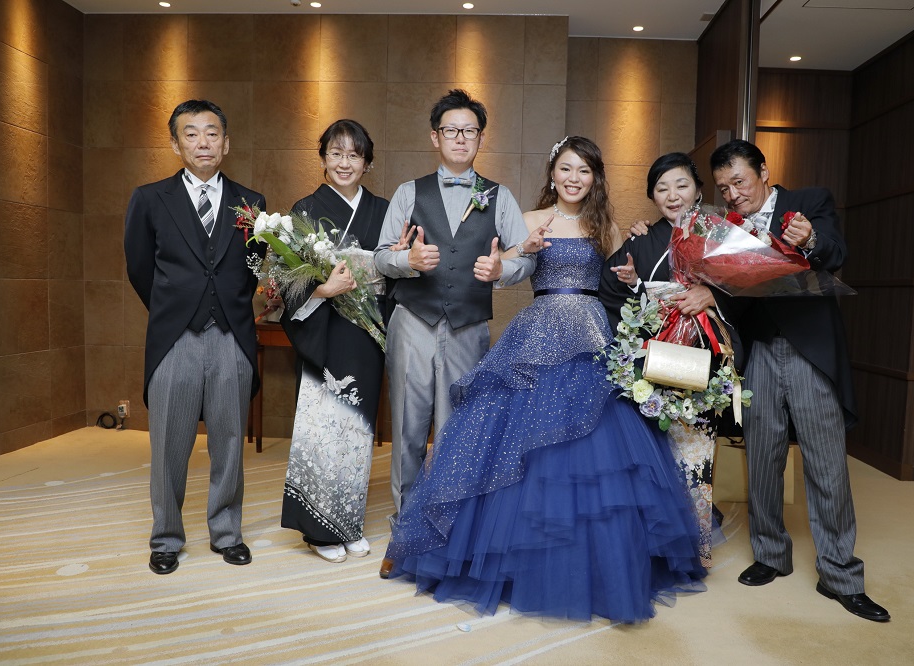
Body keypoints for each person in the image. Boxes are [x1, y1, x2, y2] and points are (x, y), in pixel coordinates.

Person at [381, 136, 706, 624]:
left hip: (591, 333)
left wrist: (633, 267)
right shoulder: (529, 219)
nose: (574, 178)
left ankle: (590, 562)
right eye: (566, 169)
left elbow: (623, 281)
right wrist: (510, 259)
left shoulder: (607, 226)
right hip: (538, 332)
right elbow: (504, 268)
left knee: (597, 449)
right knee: (514, 443)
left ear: (595, 178)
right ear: (552, 173)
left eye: (584, 171)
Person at [710, 139, 889, 622]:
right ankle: (771, 554)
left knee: (825, 462)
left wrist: (809, 240)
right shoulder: (727, 226)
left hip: (810, 349)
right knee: (762, 458)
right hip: (760, 350)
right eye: (723, 188)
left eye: (739, 181)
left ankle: (840, 575)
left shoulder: (809, 201)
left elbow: (836, 252)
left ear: (764, 171)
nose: (732, 194)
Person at [373, 89, 537, 541]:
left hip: (468, 327)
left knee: (457, 430)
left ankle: (448, 527)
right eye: (451, 130)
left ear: (481, 138)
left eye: (470, 131)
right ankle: (406, 526)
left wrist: (503, 270)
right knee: (407, 428)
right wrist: (408, 261)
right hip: (412, 321)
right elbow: (381, 256)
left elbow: (526, 258)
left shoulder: (499, 196)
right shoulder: (408, 192)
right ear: (435, 137)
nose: (461, 138)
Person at [124, 99, 265, 575]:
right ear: (175, 143)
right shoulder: (149, 199)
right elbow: (139, 267)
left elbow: (252, 268)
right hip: (174, 338)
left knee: (229, 440)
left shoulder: (252, 203)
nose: (202, 142)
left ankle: (227, 533)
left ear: (226, 143)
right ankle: (166, 538)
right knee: (169, 442)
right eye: (191, 133)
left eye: (212, 133)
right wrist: (175, 308)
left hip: (232, 335)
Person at [599, 152, 738, 568]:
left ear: (698, 189)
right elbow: (610, 290)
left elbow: (746, 291)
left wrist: (711, 296)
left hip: (702, 355)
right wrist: (636, 289)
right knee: (651, 454)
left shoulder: (721, 233)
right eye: (662, 188)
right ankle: (651, 548)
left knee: (695, 453)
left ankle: (692, 548)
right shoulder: (642, 240)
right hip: (655, 355)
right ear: (652, 197)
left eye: (681, 185)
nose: (672, 195)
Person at [278, 120, 397, 563]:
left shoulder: (384, 210)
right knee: (321, 430)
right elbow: (286, 279)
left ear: (367, 163)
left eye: (354, 155)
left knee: (357, 430)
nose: (345, 163)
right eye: (336, 153)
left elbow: (397, 271)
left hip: (366, 333)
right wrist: (324, 290)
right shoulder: (305, 209)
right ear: (323, 158)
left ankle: (348, 523)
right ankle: (318, 531)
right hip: (323, 332)